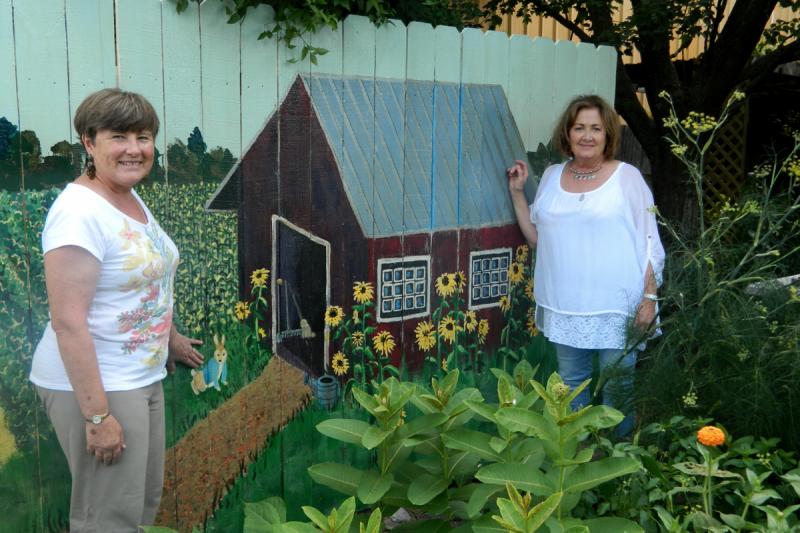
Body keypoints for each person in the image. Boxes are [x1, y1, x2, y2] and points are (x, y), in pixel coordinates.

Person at [29, 88, 205, 532]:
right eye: (118, 136)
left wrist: (169, 337)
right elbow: (68, 323)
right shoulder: (79, 212)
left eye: (143, 137)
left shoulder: (124, 195)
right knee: (106, 518)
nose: (134, 149)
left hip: (139, 375)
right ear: (89, 142)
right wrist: (98, 416)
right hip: (99, 385)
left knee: (139, 506)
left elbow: (138, 282)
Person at [507, 94, 664, 435]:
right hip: (566, 305)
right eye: (579, 128)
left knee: (617, 389)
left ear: (608, 135)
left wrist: (649, 298)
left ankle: (617, 471)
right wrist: (518, 193)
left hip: (618, 306)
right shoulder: (550, 176)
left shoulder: (628, 177)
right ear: (568, 133)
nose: (587, 136)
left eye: (595, 128)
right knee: (571, 387)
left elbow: (650, 242)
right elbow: (538, 239)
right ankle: (577, 464)